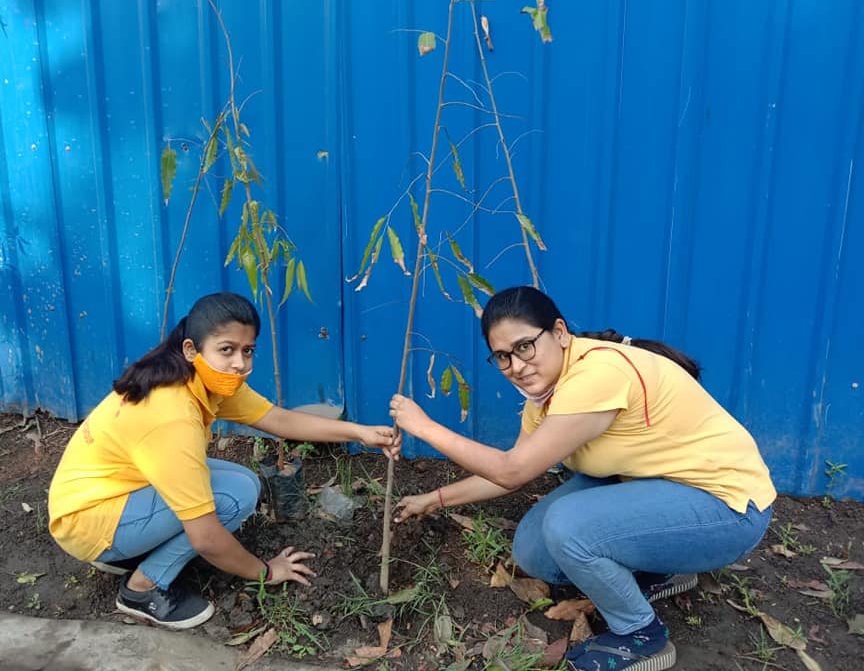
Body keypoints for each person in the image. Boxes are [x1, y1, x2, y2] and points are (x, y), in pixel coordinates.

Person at [389, 286, 775, 671]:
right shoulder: (546, 397)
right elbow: (510, 474)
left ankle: (642, 636)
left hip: (728, 510)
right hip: (661, 489)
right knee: (534, 549)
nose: (517, 366)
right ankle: (664, 571)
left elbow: (512, 468)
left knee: (567, 525)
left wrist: (425, 428)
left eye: (525, 347)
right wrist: (434, 499)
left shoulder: (597, 375)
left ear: (559, 332)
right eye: (503, 356)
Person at [48, 292, 399, 630]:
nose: (240, 363)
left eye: (248, 351)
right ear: (191, 349)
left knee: (243, 484)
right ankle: (141, 588)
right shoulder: (172, 417)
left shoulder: (202, 378)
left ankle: (129, 551)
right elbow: (206, 538)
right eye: (227, 349)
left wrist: (359, 433)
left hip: (106, 497)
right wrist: (266, 571)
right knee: (230, 499)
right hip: (87, 523)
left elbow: (278, 420)